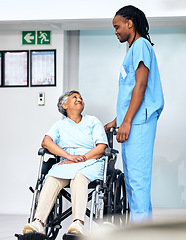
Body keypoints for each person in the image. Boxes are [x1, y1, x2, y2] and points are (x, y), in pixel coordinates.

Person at [104, 5, 164, 223]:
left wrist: (127, 121)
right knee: (133, 182)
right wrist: (118, 120)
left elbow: (140, 86)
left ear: (130, 23)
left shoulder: (140, 45)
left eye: (117, 26)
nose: (116, 31)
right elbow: (131, 93)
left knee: (137, 181)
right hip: (132, 122)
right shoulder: (134, 49)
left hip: (138, 123)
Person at [23, 90, 108, 235]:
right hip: (67, 163)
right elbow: (46, 142)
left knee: (79, 177)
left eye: (81, 97)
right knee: (51, 179)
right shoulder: (59, 125)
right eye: (74, 97)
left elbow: (101, 148)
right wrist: (68, 156)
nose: (79, 99)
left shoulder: (93, 121)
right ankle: (38, 222)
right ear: (65, 105)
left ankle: (77, 223)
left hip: (91, 161)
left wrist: (82, 158)